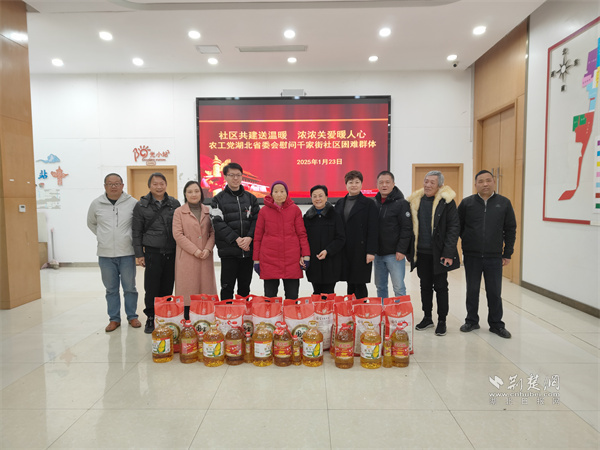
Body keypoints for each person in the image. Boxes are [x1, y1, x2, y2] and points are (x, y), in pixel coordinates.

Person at [457, 170, 516, 339]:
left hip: (494, 256)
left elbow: (510, 229)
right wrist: (467, 240)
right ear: (475, 184)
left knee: (494, 292)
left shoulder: (504, 203)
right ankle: (471, 321)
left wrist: (507, 253)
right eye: (481, 181)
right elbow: (458, 226)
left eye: (488, 180)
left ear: (494, 182)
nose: (485, 184)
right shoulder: (467, 203)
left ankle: (496, 324)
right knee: (472, 290)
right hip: (472, 255)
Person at [407, 170, 460, 337]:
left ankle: (442, 320)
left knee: (441, 287)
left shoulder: (447, 202)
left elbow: (453, 228)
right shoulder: (416, 201)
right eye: (426, 181)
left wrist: (448, 253)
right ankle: (427, 317)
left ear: (440, 185)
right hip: (421, 253)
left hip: (439, 254)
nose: (428, 185)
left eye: (432, 182)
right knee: (424, 286)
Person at [87, 173, 140, 332]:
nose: (114, 186)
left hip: (127, 252)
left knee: (130, 288)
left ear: (122, 185)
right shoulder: (97, 204)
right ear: (105, 186)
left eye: (117, 183)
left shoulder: (132, 203)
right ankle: (114, 319)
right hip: (105, 254)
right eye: (110, 184)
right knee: (111, 289)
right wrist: (103, 237)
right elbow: (91, 223)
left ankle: (132, 316)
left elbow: (138, 225)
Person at [132, 172, 181, 334]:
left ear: (166, 185)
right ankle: (151, 317)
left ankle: (165, 316)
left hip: (172, 251)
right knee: (152, 287)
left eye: (162, 183)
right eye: (155, 184)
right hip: (152, 252)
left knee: (167, 286)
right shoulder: (141, 205)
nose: (159, 187)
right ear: (149, 186)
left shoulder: (174, 203)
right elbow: (136, 232)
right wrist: (139, 254)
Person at [210, 162, 260, 300]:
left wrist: (249, 237)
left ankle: (243, 312)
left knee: (244, 288)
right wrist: (236, 239)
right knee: (227, 288)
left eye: (238, 175)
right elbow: (217, 223)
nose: (235, 178)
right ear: (225, 177)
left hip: (247, 251)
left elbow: (257, 220)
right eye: (232, 175)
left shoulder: (251, 198)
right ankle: (226, 313)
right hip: (228, 251)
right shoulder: (217, 200)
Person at [253, 181, 310, 299]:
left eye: (282, 191)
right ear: (271, 194)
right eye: (276, 191)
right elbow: (257, 237)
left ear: (287, 193)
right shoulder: (263, 211)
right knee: (270, 298)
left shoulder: (295, 210)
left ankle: (291, 312)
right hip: (269, 259)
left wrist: (306, 255)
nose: (279, 194)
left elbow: (302, 234)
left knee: (292, 297)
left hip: (292, 259)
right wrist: (256, 260)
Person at [173, 180, 218, 318]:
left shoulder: (208, 211)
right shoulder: (179, 212)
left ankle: (206, 317)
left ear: (201, 193)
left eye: (197, 191)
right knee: (188, 288)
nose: (194, 194)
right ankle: (187, 318)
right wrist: (195, 250)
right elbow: (178, 234)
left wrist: (208, 249)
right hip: (187, 256)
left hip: (205, 255)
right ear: (185, 194)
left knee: (206, 287)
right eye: (190, 192)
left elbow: (213, 232)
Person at [335, 170, 378, 299]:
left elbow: (373, 229)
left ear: (361, 184)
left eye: (357, 182)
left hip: (361, 249)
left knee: (360, 282)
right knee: (350, 281)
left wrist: (371, 251)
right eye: (350, 182)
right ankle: (351, 308)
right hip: (344, 249)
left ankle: (361, 308)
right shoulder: (340, 203)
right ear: (346, 184)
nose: (354, 185)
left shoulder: (369, 204)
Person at [374, 170, 413, 299]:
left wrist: (402, 250)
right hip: (378, 254)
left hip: (395, 255)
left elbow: (406, 228)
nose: (384, 185)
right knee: (380, 287)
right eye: (381, 182)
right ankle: (383, 309)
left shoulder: (402, 203)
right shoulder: (374, 203)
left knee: (399, 287)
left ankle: (400, 311)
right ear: (377, 184)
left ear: (393, 184)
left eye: (387, 182)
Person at [303, 185, 346, 295]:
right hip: (314, 263)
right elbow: (303, 238)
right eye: (314, 196)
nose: (318, 199)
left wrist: (328, 250)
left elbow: (341, 238)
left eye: (320, 196)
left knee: (329, 294)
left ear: (326, 197)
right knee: (316, 294)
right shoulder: (307, 217)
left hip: (331, 262)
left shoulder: (335, 215)